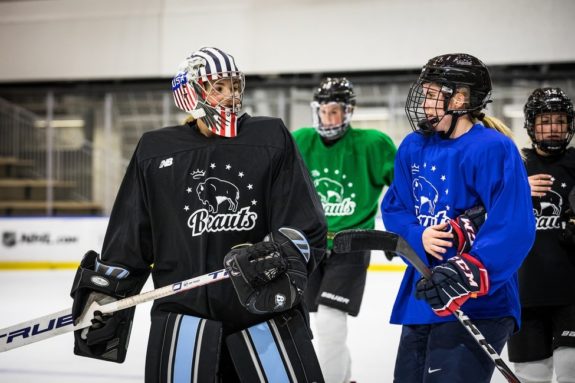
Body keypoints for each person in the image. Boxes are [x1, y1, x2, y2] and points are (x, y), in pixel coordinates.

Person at [69, 47, 328, 382]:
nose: (230, 95)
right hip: (184, 320)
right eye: (218, 87)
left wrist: (279, 255)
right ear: (191, 91)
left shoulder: (271, 138)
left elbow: (306, 223)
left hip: (263, 312)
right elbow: (131, 235)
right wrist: (106, 292)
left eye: (234, 86)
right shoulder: (156, 150)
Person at [380, 53, 536, 382]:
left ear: (460, 98)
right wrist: (416, 234)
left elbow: (513, 224)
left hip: (479, 302)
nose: (424, 103)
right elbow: (395, 207)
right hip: (425, 296)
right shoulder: (413, 146)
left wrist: (467, 272)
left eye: (433, 94)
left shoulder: (493, 148)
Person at [292, 77, 396, 382]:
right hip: (309, 246)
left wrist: (397, 232)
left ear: (349, 111)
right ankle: (344, 378)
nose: (329, 117)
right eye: (323, 111)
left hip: (352, 243)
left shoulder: (373, 144)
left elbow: (404, 190)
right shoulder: (300, 140)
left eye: (335, 110)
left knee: (329, 319)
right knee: (317, 323)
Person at [507, 87, 575, 383]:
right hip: (524, 294)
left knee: (571, 366)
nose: (552, 128)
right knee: (530, 376)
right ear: (531, 126)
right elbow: (487, 213)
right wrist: (517, 190)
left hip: (571, 294)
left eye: (558, 120)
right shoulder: (514, 168)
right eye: (544, 121)